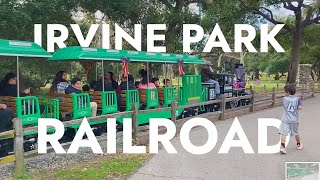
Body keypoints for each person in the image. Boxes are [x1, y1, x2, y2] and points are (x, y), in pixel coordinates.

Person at [279, 85, 303, 154]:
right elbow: (300, 107)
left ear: (288, 92)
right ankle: (298, 144)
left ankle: (282, 147)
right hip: (295, 119)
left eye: (285, 92)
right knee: (296, 133)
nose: (284, 93)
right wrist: (299, 107)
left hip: (286, 119)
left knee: (284, 133)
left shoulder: (284, 99)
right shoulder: (297, 99)